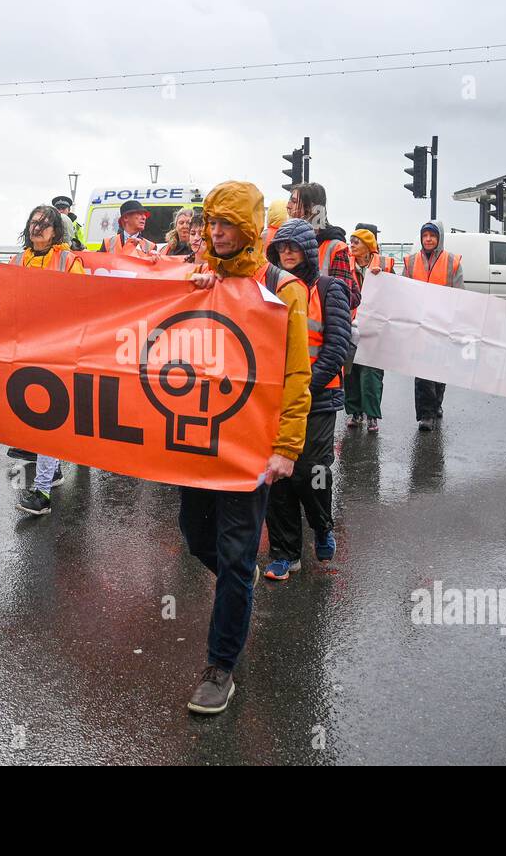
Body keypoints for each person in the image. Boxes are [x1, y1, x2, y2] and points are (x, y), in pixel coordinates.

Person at [179, 181, 311, 715]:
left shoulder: (284, 289)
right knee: (194, 536)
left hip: (250, 447)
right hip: (195, 442)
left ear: (250, 227)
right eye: (211, 222)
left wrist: (287, 446)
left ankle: (221, 666)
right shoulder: (197, 279)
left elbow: (296, 372)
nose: (216, 232)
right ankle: (240, 580)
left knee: (235, 555)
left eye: (227, 223)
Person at [262, 219, 351, 581]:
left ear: (308, 252)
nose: (286, 254)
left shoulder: (330, 289)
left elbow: (337, 346)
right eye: (281, 249)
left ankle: (322, 525)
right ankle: (285, 553)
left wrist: (303, 388)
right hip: (276, 399)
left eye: (293, 248)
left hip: (319, 397)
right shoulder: (270, 288)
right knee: (277, 475)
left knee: (311, 471)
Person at [10, 204, 85, 516]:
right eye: (33, 221)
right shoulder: (17, 260)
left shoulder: (68, 260)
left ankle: (42, 491)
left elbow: (84, 301)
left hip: (57, 349)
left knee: (48, 417)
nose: (36, 227)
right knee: (35, 412)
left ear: (56, 232)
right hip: (25, 346)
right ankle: (51, 470)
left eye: (44, 223)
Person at [402, 219, 464, 431]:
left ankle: (437, 403)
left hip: (443, 322)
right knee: (423, 369)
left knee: (439, 368)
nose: (428, 239)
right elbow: (404, 290)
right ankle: (425, 414)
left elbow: (459, 294)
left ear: (439, 238)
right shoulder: (410, 261)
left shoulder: (452, 261)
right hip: (420, 323)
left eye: (432, 236)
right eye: (425, 235)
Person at [287, 182, 360, 310]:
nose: (288, 206)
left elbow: (342, 299)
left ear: (310, 208)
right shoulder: (287, 243)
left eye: (294, 201)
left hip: (319, 327)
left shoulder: (335, 247)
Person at [346, 226, 388, 431]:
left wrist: (383, 279)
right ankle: (355, 412)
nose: (352, 245)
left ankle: (372, 415)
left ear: (368, 246)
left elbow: (395, 293)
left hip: (375, 326)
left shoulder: (385, 267)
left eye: (356, 241)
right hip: (350, 325)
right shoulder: (346, 264)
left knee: (371, 373)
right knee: (351, 370)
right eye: (351, 241)